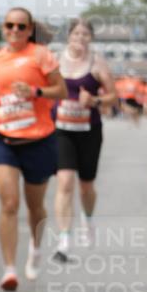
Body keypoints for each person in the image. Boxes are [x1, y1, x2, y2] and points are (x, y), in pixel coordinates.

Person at [0, 7, 67, 292]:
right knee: (9, 202)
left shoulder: (41, 55)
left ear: (30, 29)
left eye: (21, 26)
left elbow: (62, 90)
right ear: (4, 28)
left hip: (38, 139)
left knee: (35, 205)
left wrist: (36, 92)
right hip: (3, 138)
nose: (15, 31)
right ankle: (9, 269)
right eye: (10, 25)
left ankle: (35, 247)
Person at [52, 19, 117, 260]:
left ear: (91, 37)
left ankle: (88, 221)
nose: (80, 37)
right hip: (62, 129)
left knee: (86, 185)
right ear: (68, 36)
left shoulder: (97, 63)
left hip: (89, 130)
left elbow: (113, 97)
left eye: (85, 34)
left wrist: (95, 101)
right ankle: (64, 240)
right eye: (76, 33)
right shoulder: (56, 60)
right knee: (65, 182)